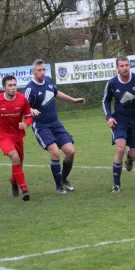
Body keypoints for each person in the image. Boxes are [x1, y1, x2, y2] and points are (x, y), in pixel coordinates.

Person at [25, 59, 85, 194]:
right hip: (41, 125)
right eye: (39, 70)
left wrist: (73, 100)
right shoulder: (30, 88)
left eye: (43, 70)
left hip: (55, 123)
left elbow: (56, 93)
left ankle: (63, 179)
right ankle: (59, 187)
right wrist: (31, 110)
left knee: (70, 152)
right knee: (55, 153)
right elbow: (24, 105)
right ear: (33, 71)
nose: (42, 73)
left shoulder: (48, 80)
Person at [102, 57, 135, 193]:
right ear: (117, 68)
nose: (124, 68)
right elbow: (105, 101)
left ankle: (130, 157)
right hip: (119, 121)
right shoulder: (112, 83)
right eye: (121, 66)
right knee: (120, 147)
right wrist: (109, 117)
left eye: (126, 65)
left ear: (130, 66)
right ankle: (116, 185)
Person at [0, 76, 32, 201]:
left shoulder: (22, 99)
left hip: (18, 135)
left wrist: (26, 124)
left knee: (19, 162)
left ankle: (14, 181)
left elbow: (29, 116)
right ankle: (24, 189)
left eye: (14, 85)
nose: (13, 87)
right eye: (10, 85)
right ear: (4, 88)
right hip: (3, 135)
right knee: (15, 157)